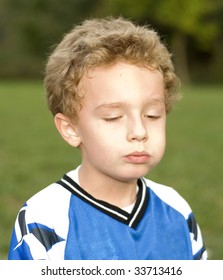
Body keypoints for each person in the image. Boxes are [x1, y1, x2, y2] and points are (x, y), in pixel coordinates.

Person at [8, 17, 207, 260]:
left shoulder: (177, 210)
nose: (139, 131)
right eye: (113, 117)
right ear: (71, 129)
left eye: (152, 115)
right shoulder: (44, 220)